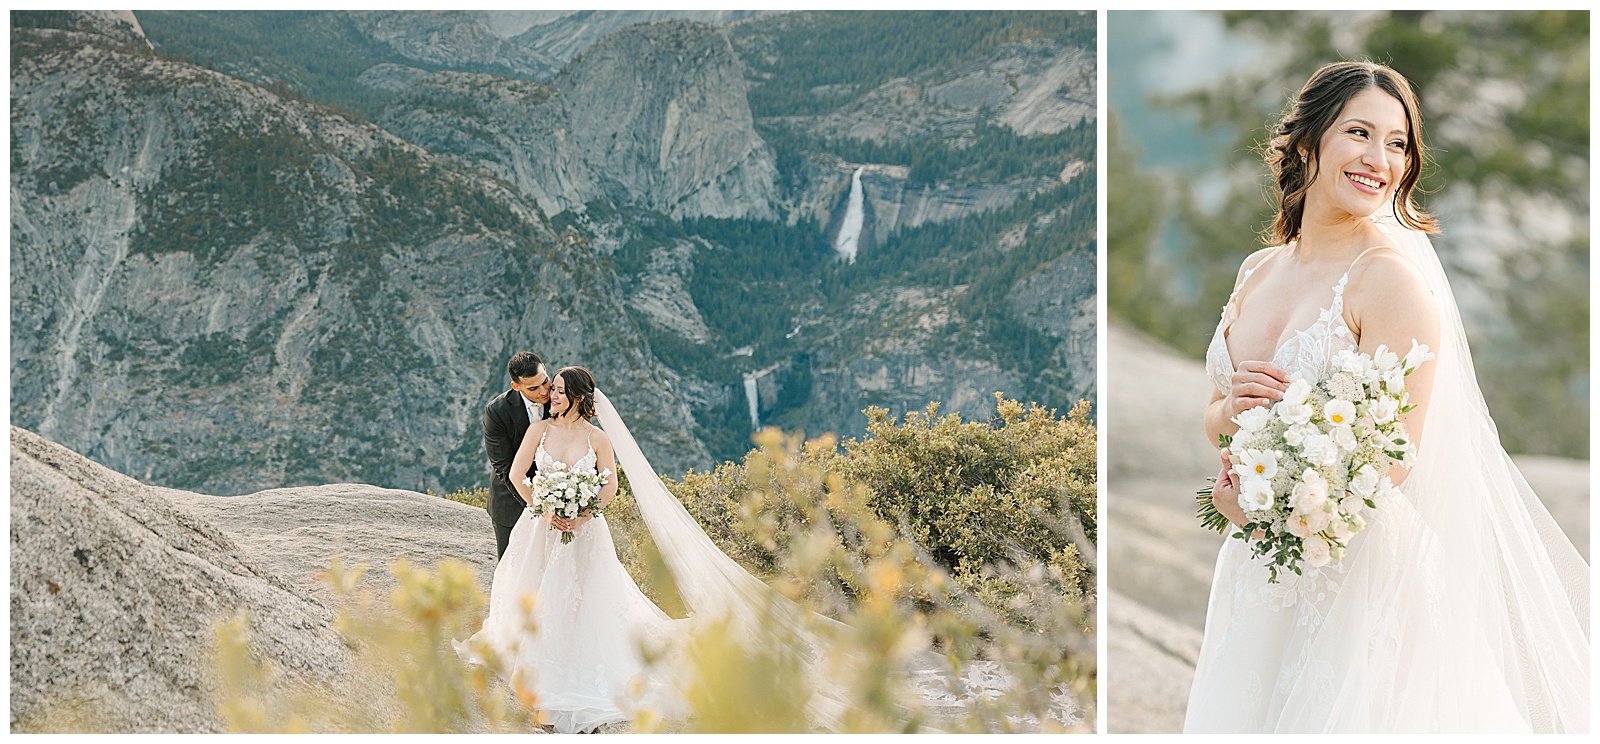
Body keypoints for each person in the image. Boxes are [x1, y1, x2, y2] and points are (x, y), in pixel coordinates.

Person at [1186, 61, 1588, 733]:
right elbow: (1217, 414)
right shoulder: (1257, 269)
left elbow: (1397, 458)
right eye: (1360, 133)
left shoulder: (1389, 282)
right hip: (1257, 566)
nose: (1381, 160)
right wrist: (1231, 423)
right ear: (1309, 142)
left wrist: (1280, 510)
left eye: (1398, 143)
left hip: (1353, 579)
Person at [462, 366, 680, 733]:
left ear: (579, 397)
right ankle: (534, 657)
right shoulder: (538, 430)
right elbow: (517, 475)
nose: (553, 396)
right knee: (533, 588)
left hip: (584, 532)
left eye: (560, 391)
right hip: (539, 527)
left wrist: (583, 515)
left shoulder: (598, 439)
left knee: (583, 595)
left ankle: (576, 659)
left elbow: (609, 487)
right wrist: (541, 507)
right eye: (553, 389)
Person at [482, 351, 550, 560]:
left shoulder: (562, 399)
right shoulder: (497, 412)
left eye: (545, 382)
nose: (543, 392)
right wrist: (537, 504)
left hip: (558, 500)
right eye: (533, 388)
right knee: (511, 568)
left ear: (545, 370)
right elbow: (503, 466)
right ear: (516, 386)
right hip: (509, 504)